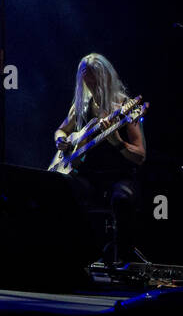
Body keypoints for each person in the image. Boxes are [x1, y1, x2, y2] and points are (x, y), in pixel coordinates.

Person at [53, 53, 146, 261]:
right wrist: (60, 139)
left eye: (96, 80)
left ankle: (122, 260)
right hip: (87, 175)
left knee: (122, 198)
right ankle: (69, 257)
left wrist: (118, 143)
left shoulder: (125, 106)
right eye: (88, 80)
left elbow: (140, 156)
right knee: (58, 189)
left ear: (107, 77)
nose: (93, 85)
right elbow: (60, 130)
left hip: (118, 176)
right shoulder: (81, 106)